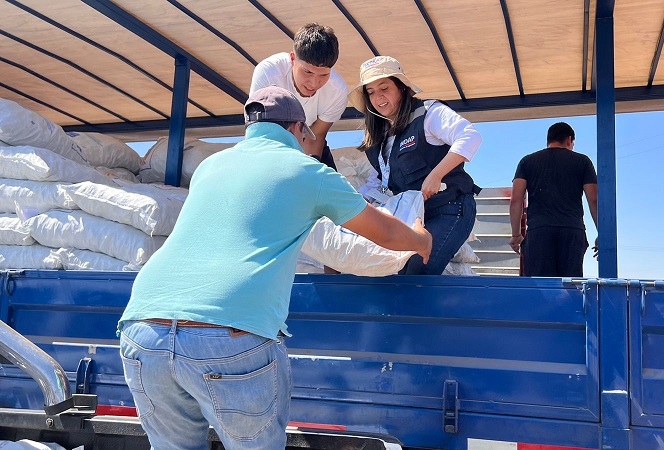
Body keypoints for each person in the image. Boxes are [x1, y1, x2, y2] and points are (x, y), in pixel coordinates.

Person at [117, 86, 431, 450]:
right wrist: (421, 240)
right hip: (228, 331)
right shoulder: (306, 171)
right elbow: (386, 233)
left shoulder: (209, 166)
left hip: (142, 328)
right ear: (298, 129)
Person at [349, 56, 482, 275]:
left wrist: (436, 175)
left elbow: (469, 136)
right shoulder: (379, 139)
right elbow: (377, 183)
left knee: (417, 271)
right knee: (389, 270)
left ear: (401, 88)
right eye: (371, 92)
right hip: (412, 216)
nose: (378, 97)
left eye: (384, 88)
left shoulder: (428, 113)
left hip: (449, 209)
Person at [249, 22, 348, 170]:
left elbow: (316, 137)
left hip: (309, 142)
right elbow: (257, 131)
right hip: (270, 144)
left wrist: (306, 177)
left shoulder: (338, 91)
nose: (314, 83)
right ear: (292, 58)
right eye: (307, 72)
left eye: (323, 75)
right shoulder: (268, 73)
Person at [508, 122, 599, 277]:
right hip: (572, 231)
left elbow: (516, 200)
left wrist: (516, 235)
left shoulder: (527, 162)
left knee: (540, 289)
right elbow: (594, 200)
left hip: (539, 232)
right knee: (570, 286)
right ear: (569, 140)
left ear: (548, 140)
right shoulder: (583, 161)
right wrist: (602, 233)